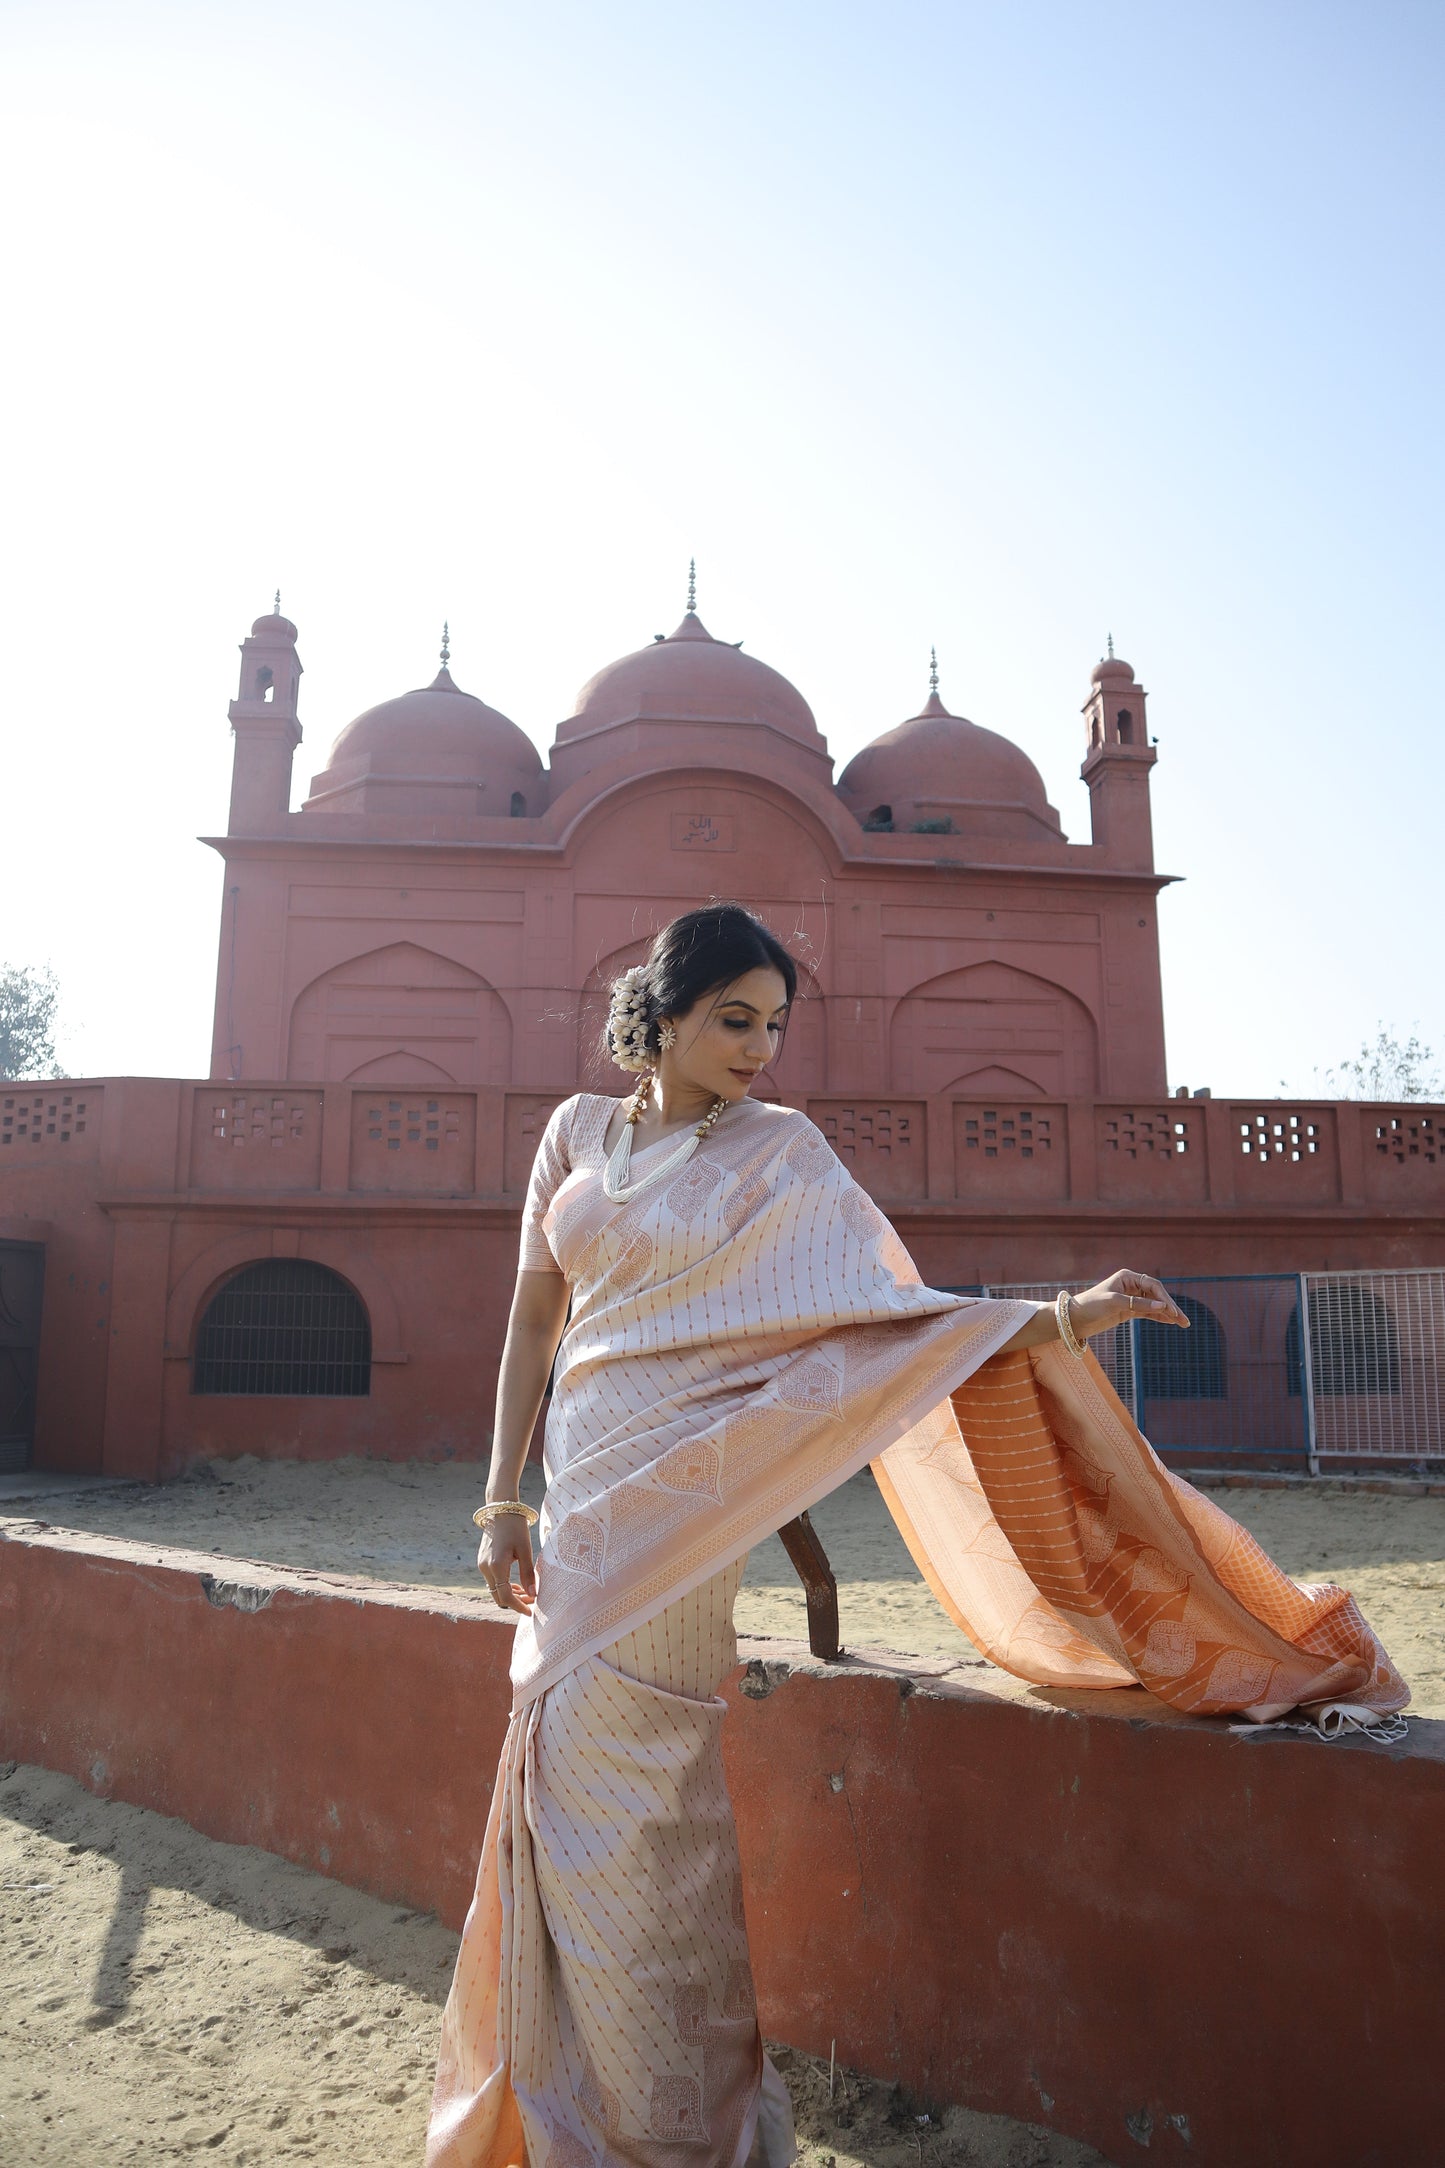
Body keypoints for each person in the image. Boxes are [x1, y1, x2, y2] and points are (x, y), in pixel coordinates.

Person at [427, 904, 1405, 2168]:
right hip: (578, 1488)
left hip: (690, 1496)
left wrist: (1057, 1315)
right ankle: (573, 2092)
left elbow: (884, 1314)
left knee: (635, 1793)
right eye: (734, 1018)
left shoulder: (781, 1150)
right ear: (661, 1011)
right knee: (559, 1774)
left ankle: (668, 2123)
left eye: (774, 1025)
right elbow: (531, 1323)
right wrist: (500, 1496)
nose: (758, 1047)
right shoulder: (570, 1130)